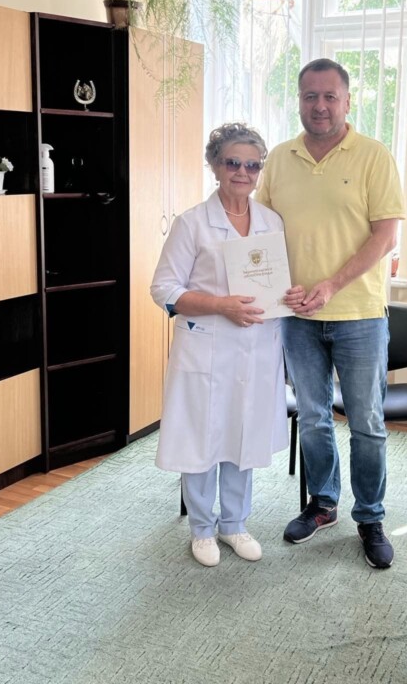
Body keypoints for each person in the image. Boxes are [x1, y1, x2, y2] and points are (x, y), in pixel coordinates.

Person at [256, 59, 405, 569]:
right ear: (298, 100)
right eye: (309, 96)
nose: (319, 106)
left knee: (366, 422)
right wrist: (273, 289)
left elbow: (385, 236)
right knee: (314, 418)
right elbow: (262, 232)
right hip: (296, 316)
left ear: (347, 101)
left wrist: (331, 286)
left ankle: (371, 517)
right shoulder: (279, 159)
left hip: (359, 314)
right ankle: (323, 503)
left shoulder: (373, 156)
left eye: (329, 96)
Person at [151, 123, 299, 567]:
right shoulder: (192, 223)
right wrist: (220, 305)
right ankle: (202, 529)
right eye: (232, 162)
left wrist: (289, 295)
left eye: (252, 165)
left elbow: (274, 282)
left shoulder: (271, 222)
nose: (242, 172)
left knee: (242, 434)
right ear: (214, 165)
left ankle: (234, 524)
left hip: (257, 349)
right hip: (207, 347)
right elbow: (164, 289)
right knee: (201, 438)